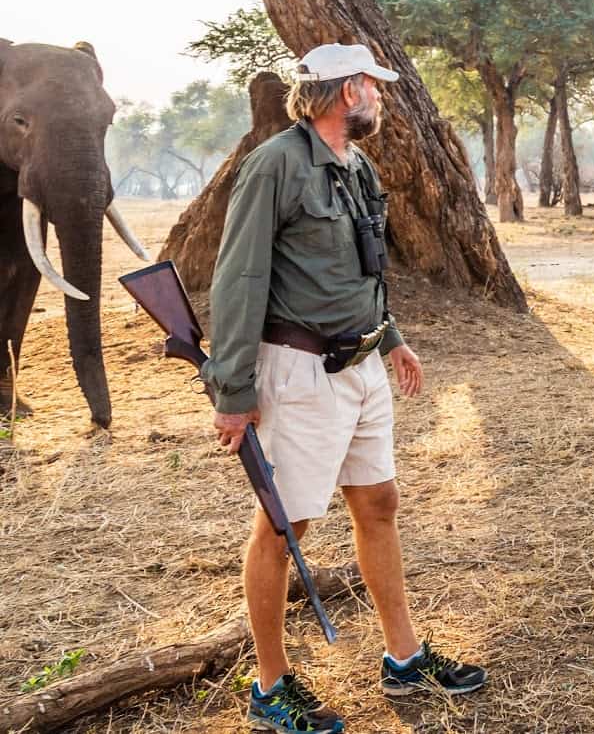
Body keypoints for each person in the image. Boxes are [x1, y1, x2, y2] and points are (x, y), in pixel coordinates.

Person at [201, 43, 486, 734]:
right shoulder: (274, 165)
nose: (383, 98)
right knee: (284, 526)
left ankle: (404, 654)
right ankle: (271, 687)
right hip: (300, 372)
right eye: (375, 88)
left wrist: (391, 337)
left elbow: (361, 269)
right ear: (348, 90)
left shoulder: (356, 164)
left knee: (379, 502)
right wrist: (233, 389)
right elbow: (239, 280)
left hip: (361, 368)